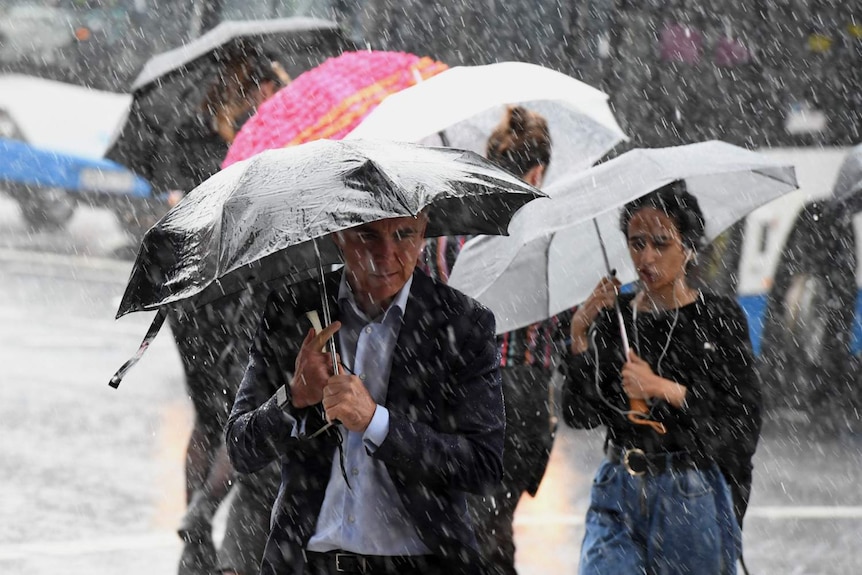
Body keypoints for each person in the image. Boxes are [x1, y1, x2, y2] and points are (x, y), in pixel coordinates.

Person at [225, 213, 505, 575]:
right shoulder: (292, 310)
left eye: (404, 235)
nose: (385, 253)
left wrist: (377, 423)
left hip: (423, 563)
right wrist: (293, 398)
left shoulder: (462, 323)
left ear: (424, 232)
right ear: (339, 235)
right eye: (367, 236)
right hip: (309, 562)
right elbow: (239, 448)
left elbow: (483, 466)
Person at [561, 181, 762, 574]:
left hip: (690, 490)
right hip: (617, 487)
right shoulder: (613, 316)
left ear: (687, 248)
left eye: (660, 243)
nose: (646, 257)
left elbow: (743, 421)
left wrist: (664, 389)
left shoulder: (718, 318)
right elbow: (579, 414)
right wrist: (579, 338)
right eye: (637, 243)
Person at [167, 54, 289, 575]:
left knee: (208, 417)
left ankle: (197, 534)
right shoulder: (262, 144)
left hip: (189, 295)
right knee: (240, 417)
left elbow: (178, 211)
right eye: (277, 88)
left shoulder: (188, 136)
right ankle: (211, 519)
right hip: (230, 296)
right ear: (261, 87)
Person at [458, 106, 559, 575]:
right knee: (494, 527)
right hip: (526, 401)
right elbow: (563, 321)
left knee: (478, 530)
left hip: (462, 398)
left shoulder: (451, 233)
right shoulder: (547, 235)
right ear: (536, 170)